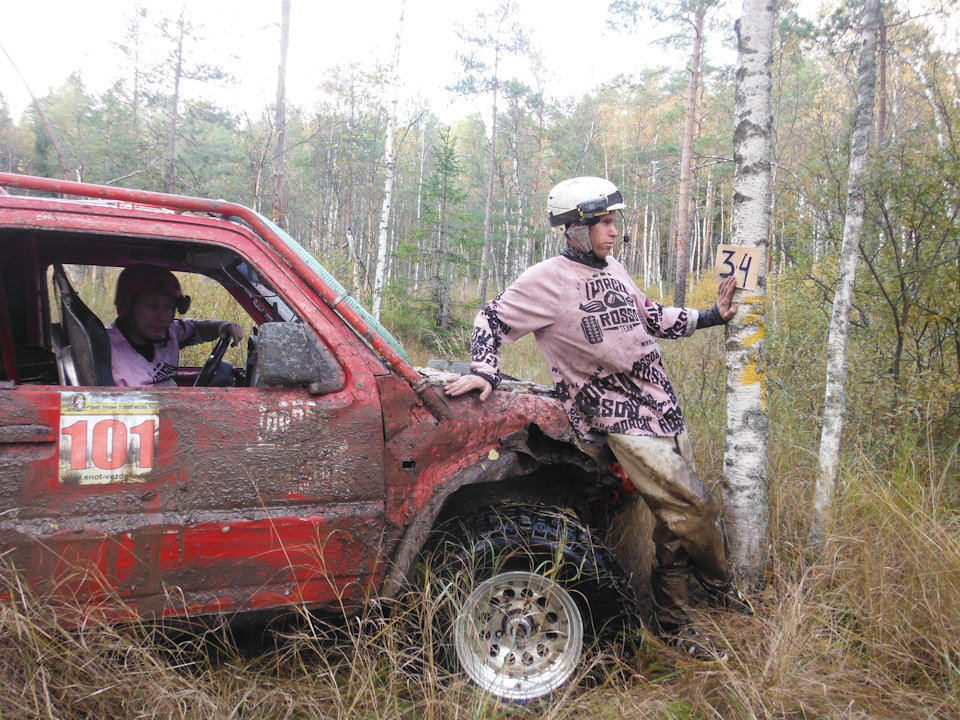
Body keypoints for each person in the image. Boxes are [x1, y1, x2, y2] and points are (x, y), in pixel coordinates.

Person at [445, 176, 752, 661]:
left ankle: (673, 620)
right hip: (616, 414)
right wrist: (485, 370)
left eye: (615, 222)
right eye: (605, 223)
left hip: (662, 404)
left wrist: (710, 316)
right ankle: (721, 584)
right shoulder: (544, 280)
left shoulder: (615, 268)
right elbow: (491, 319)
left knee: (673, 525)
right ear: (573, 228)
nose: (615, 232)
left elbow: (650, 316)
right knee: (694, 506)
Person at [107, 264, 243, 387]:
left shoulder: (168, 332)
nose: (162, 317)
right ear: (128, 306)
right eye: (152, 306)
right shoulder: (107, 353)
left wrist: (222, 326)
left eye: (168, 307)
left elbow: (199, 329)